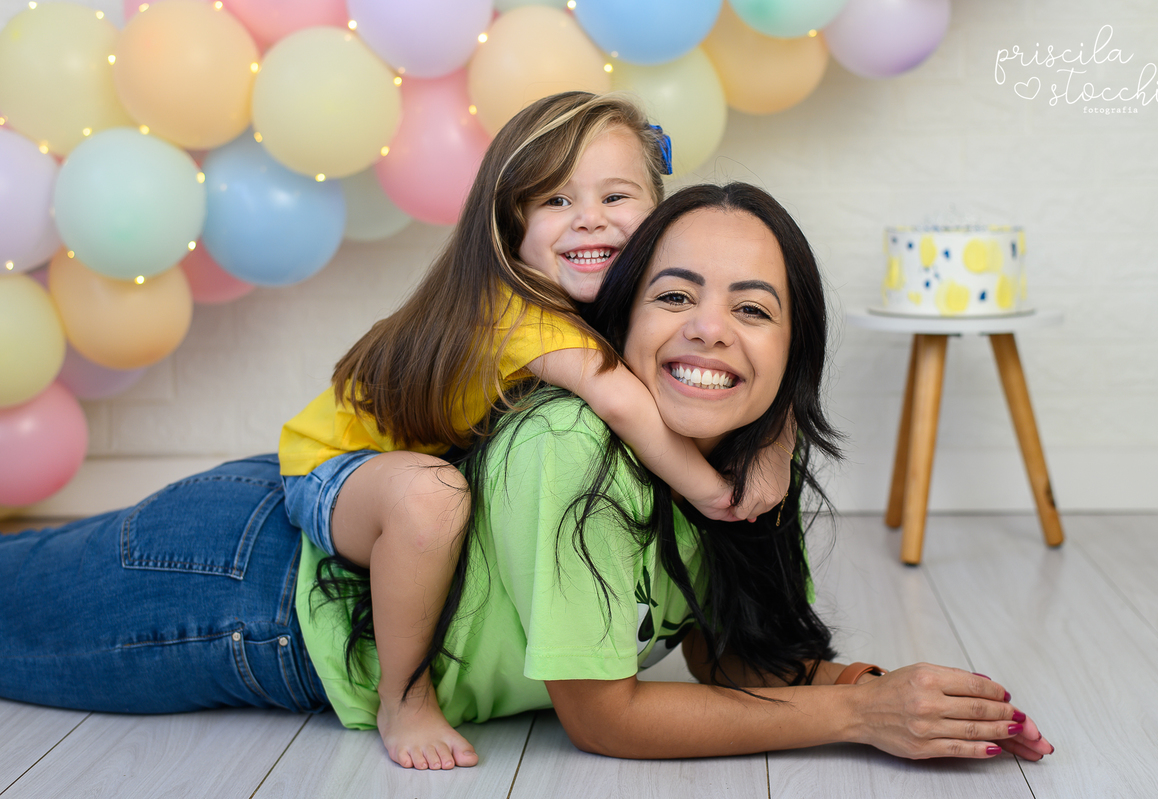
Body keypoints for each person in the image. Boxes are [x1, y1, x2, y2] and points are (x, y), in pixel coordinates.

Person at [0, 183, 1054, 768]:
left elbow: (732, 662)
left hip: (313, 537)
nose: (709, 330)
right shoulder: (575, 447)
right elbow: (602, 717)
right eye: (675, 295)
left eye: (753, 307)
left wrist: (904, 701)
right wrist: (851, 722)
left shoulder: (743, 467)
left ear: (793, 350)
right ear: (621, 322)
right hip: (258, 586)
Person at [276, 93, 793, 769]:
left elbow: (730, 375)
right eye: (555, 202)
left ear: (659, 214)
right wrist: (716, 493)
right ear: (511, 225)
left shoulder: (617, 303)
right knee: (430, 499)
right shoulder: (518, 313)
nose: (590, 221)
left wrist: (778, 436)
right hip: (332, 466)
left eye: (617, 196)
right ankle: (403, 699)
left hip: (404, 454)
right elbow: (626, 405)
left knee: (439, 489)